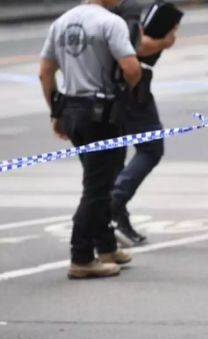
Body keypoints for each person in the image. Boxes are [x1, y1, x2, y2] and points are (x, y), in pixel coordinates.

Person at [39, 0, 142, 278]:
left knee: (99, 180)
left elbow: (45, 72)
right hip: (101, 113)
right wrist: (127, 93)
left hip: (72, 111)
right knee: (97, 187)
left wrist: (56, 113)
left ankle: (106, 246)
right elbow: (132, 69)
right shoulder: (110, 22)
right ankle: (81, 256)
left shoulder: (61, 22)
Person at [109, 0, 178, 246]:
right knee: (150, 148)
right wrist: (163, 43)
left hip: (100, 93)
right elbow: (135, 48)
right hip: (129, 89)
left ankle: (116, 219)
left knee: (114, 156)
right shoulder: (125, 8)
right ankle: (111, 206)